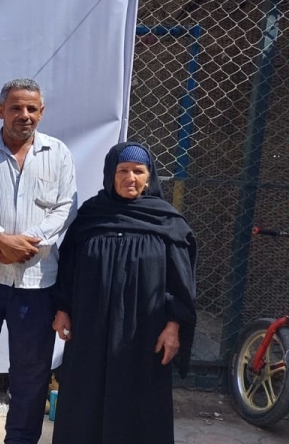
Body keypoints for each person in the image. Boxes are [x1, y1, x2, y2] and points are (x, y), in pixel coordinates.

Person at [0, 79, 77, 444]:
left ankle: (21, 437)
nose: (24, 115)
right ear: (0, 111)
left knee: (31, 366)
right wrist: (1, 241)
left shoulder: (58, 153)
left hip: (35, 281)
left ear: (41, 112)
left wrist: (26, 245)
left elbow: (66, 207)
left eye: (31, 109)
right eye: (16, 108)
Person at [51, 143, 196, 444]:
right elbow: (67, 266)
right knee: (84, 397)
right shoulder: (91, 215)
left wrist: (173, 328)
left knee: (139, 403)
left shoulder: (167, 222)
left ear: (149, 176)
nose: (131, 178)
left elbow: (181, 282)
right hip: (90, 329)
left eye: (138, 171)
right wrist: (62, 308)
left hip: (144, 333)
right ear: (110, 174)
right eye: (123, 171)